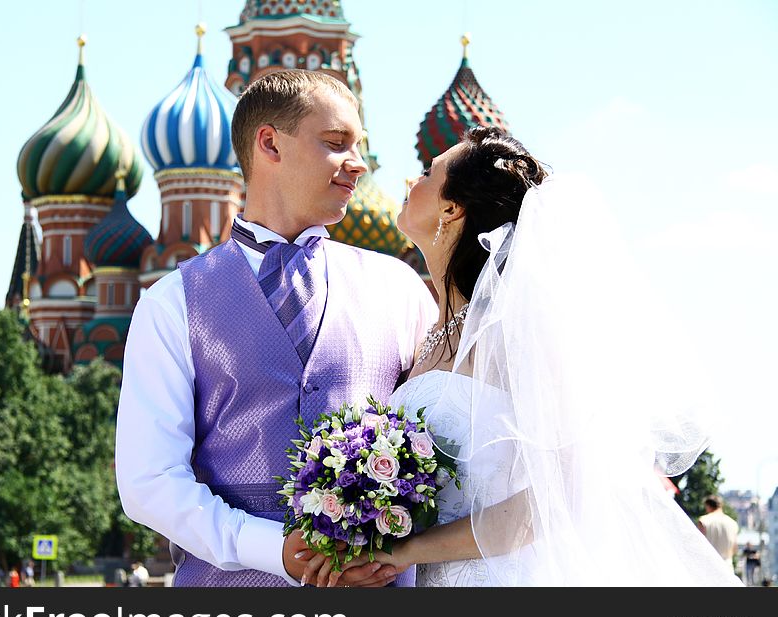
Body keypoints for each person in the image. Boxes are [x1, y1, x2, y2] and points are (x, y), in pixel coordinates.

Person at [311, 126, 742, 587]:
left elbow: (562, 495)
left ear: (452, 209)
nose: (408, 183)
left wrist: (407, 549)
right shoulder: (428, 334)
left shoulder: (517, 333)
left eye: (425, 173)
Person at [115, 69, 437, 588]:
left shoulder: (398, 288)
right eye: (336, 143)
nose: (358, 164)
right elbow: (148, 481)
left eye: (360, 146)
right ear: (270, 143)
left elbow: (442, 443)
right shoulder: (171, 303)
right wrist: (271, 550)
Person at [697, 495, 739, 574]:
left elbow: (699, 546)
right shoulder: (733, 523)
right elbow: (734, 549)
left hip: (708, 567)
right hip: (727, 568)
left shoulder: (704, 521)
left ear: (708, 506)